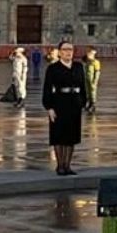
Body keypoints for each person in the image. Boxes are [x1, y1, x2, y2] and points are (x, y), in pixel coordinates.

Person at [42, 41, 87, 175]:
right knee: (58, 135)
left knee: (71, 136)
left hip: (75, 103)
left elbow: (83, 85)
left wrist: (83, 101)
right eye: (65, 49)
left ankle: (67, 165)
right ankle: (60, 165)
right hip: (59, 103)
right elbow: (47, 88)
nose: (68, 52)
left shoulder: (78, 67)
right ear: (60, 52)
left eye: (71, 50)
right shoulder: (53, 68)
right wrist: (49, 107)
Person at [84, 47, 101, 113]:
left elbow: (97, 72)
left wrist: (95, 81)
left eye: (89, 53)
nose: (88, 54)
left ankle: (93, 104)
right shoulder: (87, 61)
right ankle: (89, 103)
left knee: (92, 92)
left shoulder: (96, 62)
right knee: (88, 91)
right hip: (87, 78)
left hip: (92, 79)